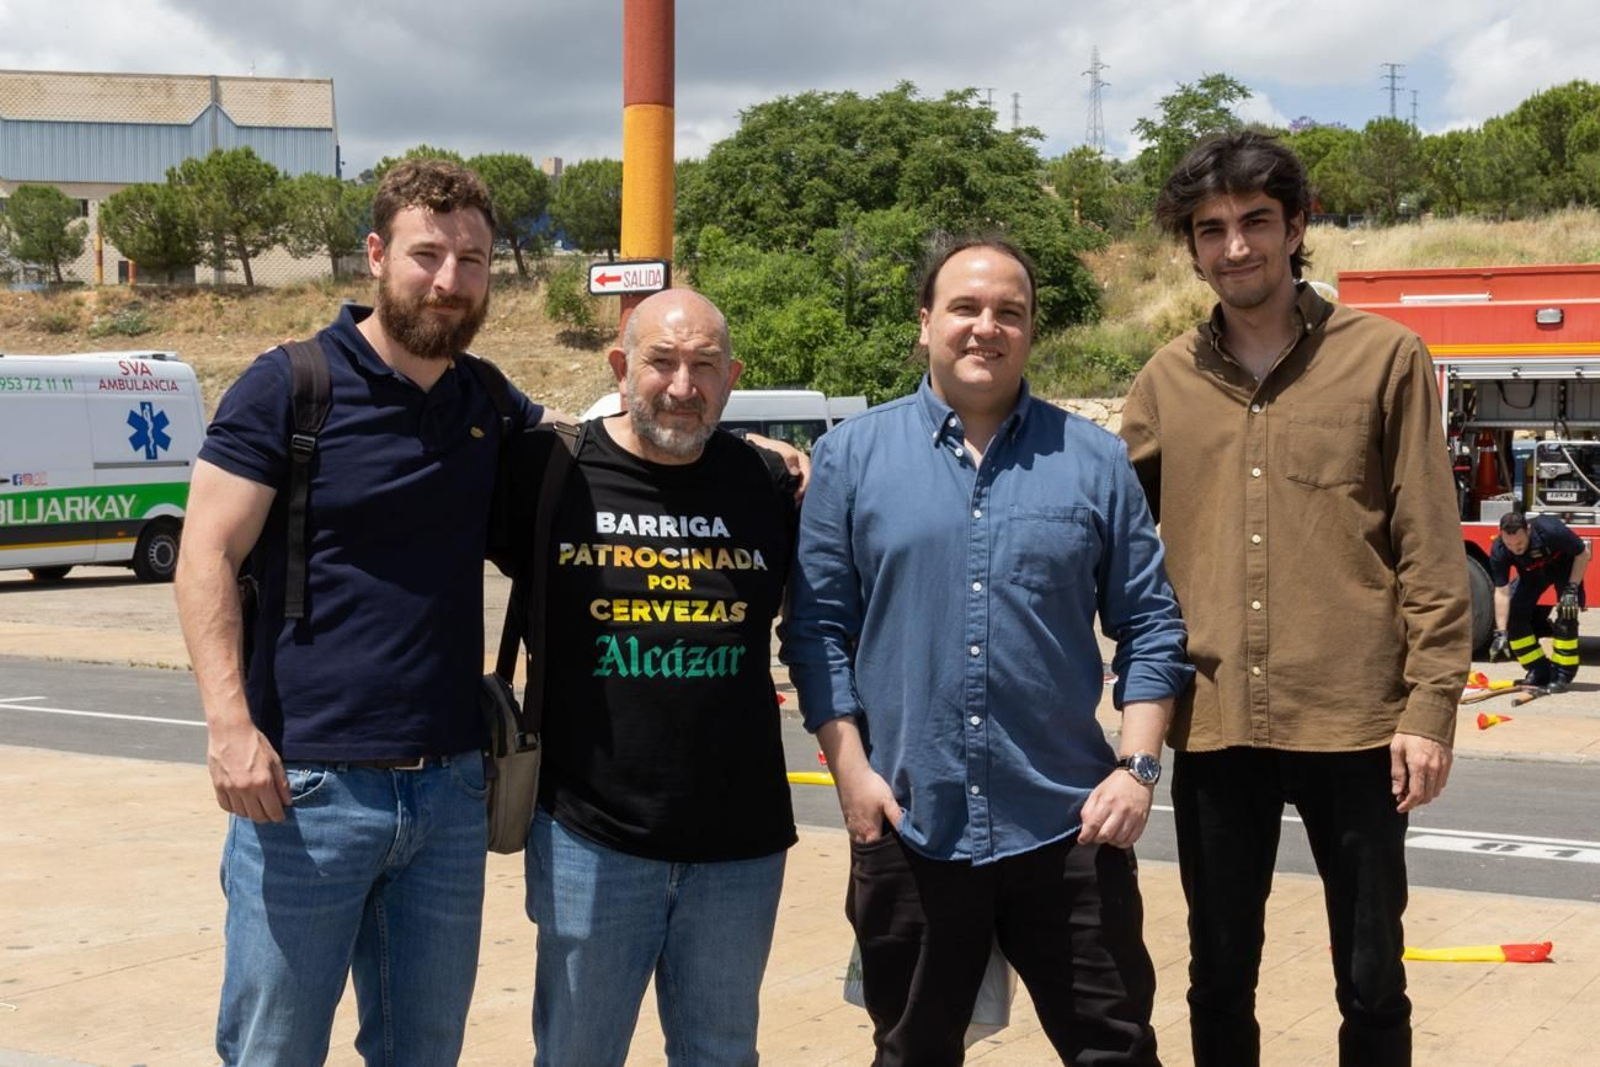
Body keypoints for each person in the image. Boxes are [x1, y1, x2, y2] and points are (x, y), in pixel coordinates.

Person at [782, 234, 1193, 1066]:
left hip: (1069, 828)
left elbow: (1152, 624)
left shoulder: (1094, 460)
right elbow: (817, 629)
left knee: (1117, 1048)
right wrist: (851, 774)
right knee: (911, 1052)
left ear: (1032, 330)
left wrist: (1138, 768)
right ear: (926, 320)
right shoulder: (851, 456)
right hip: (909, 821)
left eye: (1011, 311)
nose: (987, 327)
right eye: (965, 307)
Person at [174, 158, 544, 1064]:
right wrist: (229, 724)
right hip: (304, 793)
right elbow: (205, 553)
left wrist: (751, 448)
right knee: (274, 1050)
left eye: (473, 260)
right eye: (427, 254)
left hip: (451, 790)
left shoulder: (486, 401)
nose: (450, 280)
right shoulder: (291, 385)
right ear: (375, 255)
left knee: (423, 1052)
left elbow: (607, 454)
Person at [1119, 130, 1472, 1067]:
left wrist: (1431, 708)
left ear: (1297, 225)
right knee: (1218, 974)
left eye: (1256, 221)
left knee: (1372, 978)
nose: (1236, 246)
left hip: (1357, 721)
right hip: (1216, 719)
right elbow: (1103, 538)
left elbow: (1430, 545)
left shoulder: (1388, 359)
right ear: (1191, 246)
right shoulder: (1164, 382)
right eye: (1212, 228)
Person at [500, 288, 799, 1065]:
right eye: (662, 361)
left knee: (722, 1054)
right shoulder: (549, 471)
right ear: (620, 365)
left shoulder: (770, 486)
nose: (682, 385)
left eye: (705, 366)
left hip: (741, 848)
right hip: (587, 839)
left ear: (731, 378)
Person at [1488, 510, 1590, 691]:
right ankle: (1538, 670)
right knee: (1514, 617)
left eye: (1519, 543)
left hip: (1564, 568)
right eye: (1509, 544)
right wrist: (1501, 632)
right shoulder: (1499, 549)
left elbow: (1583, 553)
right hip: (1532, 575)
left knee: (1567, 614)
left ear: (1528, 530)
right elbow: (1502, 592)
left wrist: (1571, 589)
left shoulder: (1550, 530)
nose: (1515, 549)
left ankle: (1561, 675)